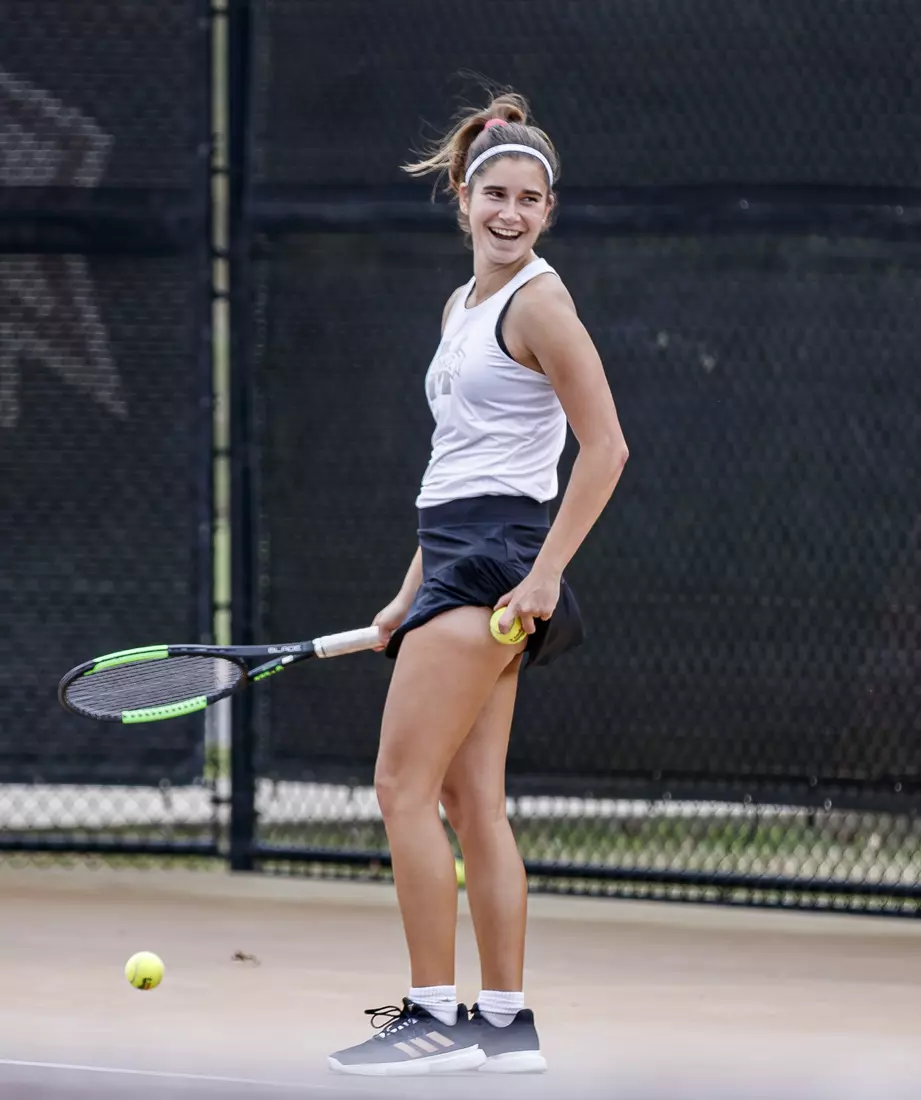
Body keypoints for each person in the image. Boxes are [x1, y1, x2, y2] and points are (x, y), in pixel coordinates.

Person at [326, 91, 628, 1076]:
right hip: (453, 553)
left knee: (400, 788)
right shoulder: (460, 305)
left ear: (548, 210)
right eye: (493, 192)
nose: (509, 211)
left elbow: (606, 447)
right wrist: (404, 590)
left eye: (529, 198)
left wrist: (545, 574)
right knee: (472, 803)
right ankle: (502, 1022)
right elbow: (457, 457)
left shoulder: (541, 301)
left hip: (499, 559)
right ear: (463, 198)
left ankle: (431, 1014)